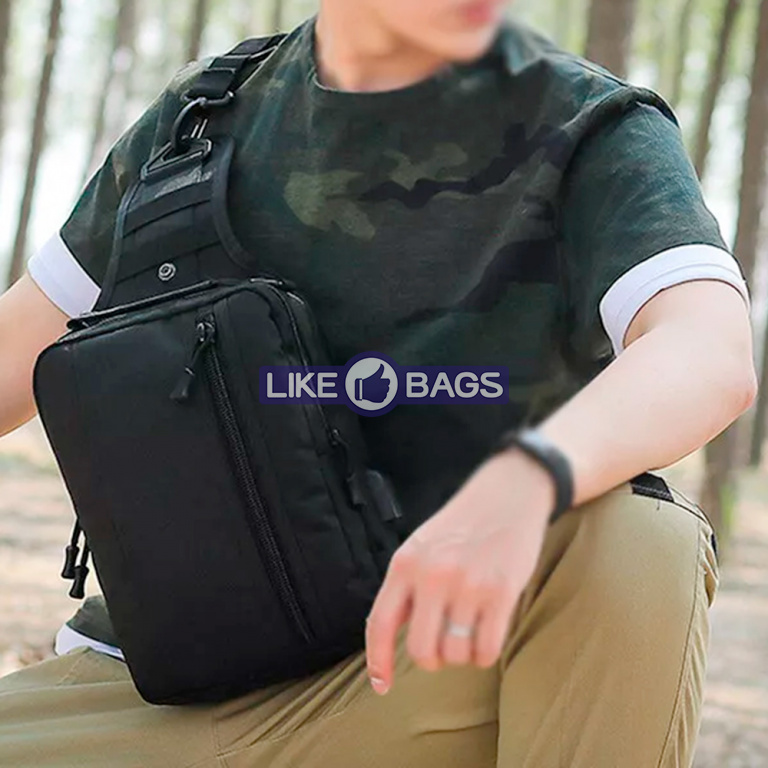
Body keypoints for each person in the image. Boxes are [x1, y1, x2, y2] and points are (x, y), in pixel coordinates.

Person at [0, 0, 755, 765]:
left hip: (410, 676)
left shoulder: (594, 126)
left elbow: (707, 347)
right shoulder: (204, 114)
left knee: (640, 537)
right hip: (139, 687)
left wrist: (526, 480)